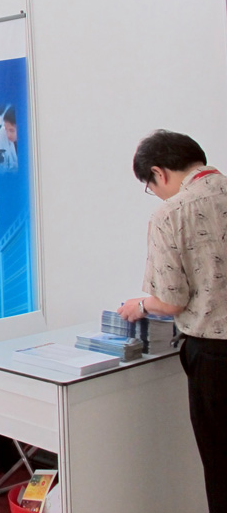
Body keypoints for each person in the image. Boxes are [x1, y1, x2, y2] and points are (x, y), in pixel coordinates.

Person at [117, 130, 227, 513]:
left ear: (159, 173)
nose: (157, 194)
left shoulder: (172, 213)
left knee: (222, 466)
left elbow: (170, 301)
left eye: (151, 187)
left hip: (216, 358)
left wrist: (140, 305)